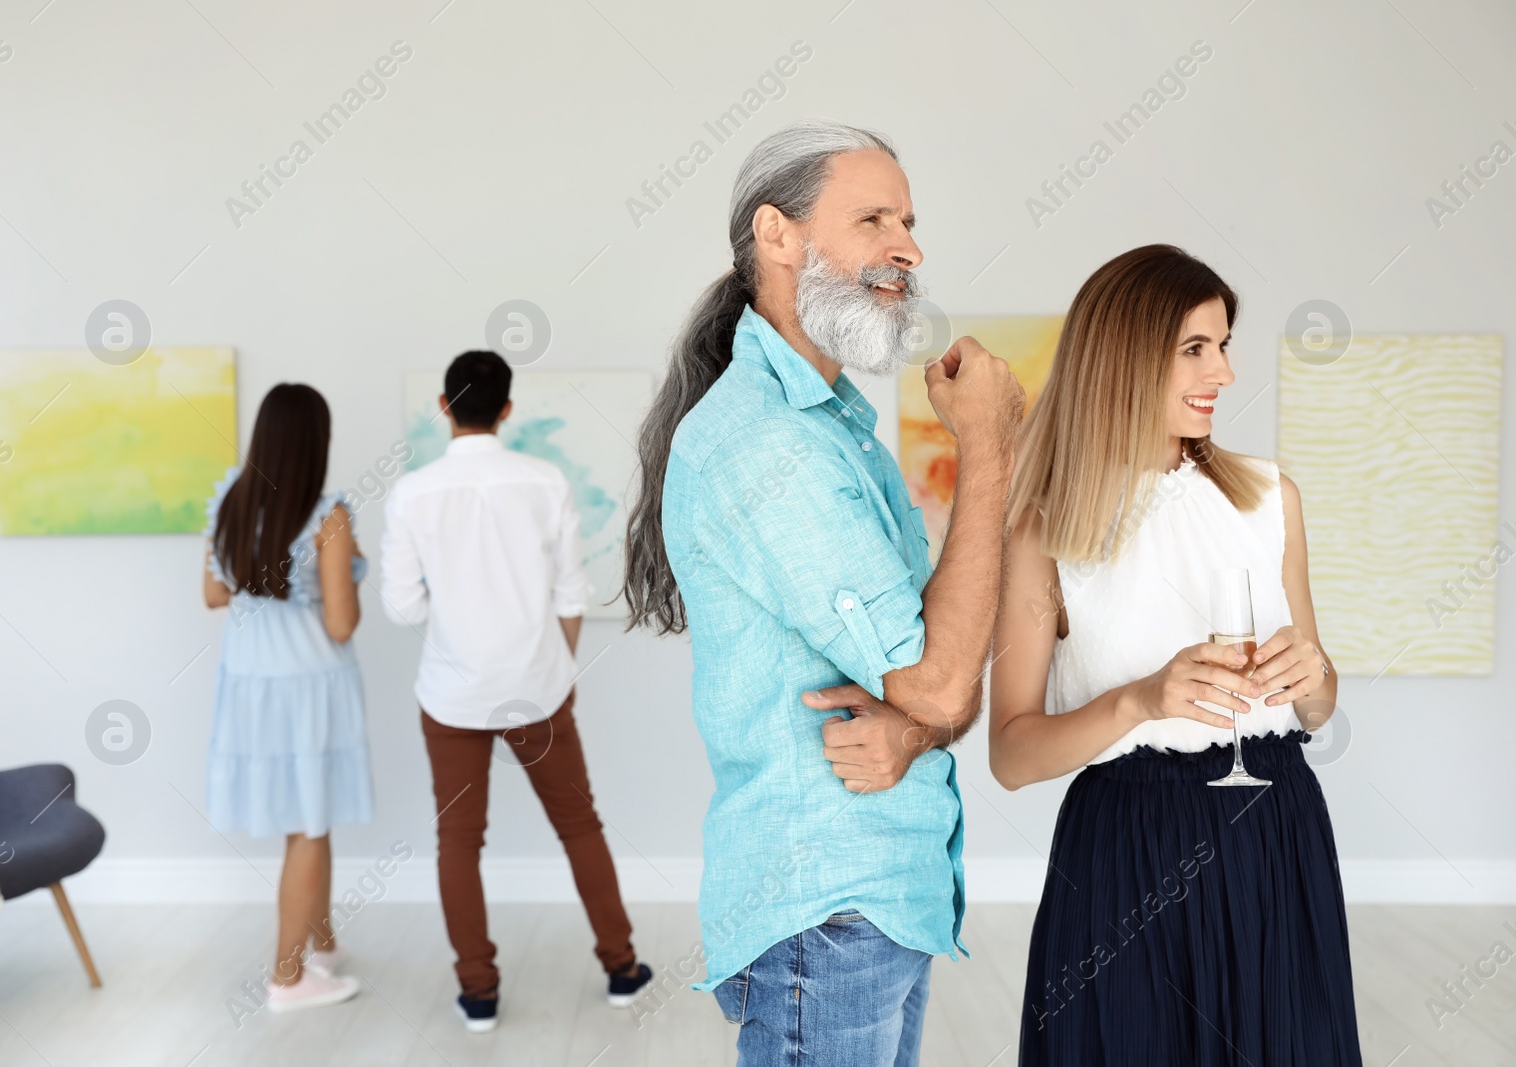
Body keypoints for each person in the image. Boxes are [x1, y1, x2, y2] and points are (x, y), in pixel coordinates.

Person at [622, 120, 1023, 1066]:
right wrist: (991, 448)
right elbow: (939, 682)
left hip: (871, 893)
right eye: (873, 217)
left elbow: (938, 671)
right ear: (778, 235)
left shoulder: (836, 427)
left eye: (911, 221)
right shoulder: (771, 444)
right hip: (826, 908)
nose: (909, 248)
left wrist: (918, 725)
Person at [988, 245, 1362, 1065]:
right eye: (1196, 348)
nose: (1224, 373)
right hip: (1127, 844)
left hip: (1275, 829)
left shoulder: (1271, 498)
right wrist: (1140, 700)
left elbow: (1318, 701)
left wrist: (1316, 679)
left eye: (1224, 346)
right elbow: (1011, 755)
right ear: (1123, 355)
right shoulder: (1045, 530)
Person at [378, 350, 652, 1033]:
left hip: (451, 695)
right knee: (580, 824)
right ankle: (622, 968)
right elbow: (571, 592)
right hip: (540, 688)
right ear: (506, 409)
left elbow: (402, 609)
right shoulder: (544, 480)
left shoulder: (412, 493)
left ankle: (478, 992)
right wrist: (552, 669)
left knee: (458, 841)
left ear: (446, 408)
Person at [201, 382, 373, 1012]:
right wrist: (353, 560)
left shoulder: (229, 500)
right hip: (307, 684)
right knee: (309, 823)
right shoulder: (326, 515)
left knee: (305, 817)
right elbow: (341, 624)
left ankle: (320, 940)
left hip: (248, 681)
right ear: (316, 442)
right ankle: (288, 976)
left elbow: (215, 596)